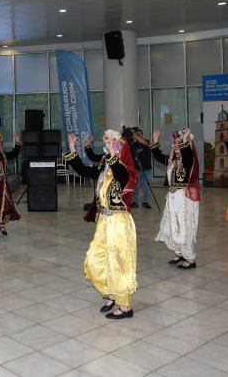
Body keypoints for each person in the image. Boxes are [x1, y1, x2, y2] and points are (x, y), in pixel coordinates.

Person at [66, 131, 138, 319]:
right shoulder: (105, 167)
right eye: (105, 143)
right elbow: (85, 171)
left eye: (109, 143)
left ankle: (126, 308)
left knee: (119, 263)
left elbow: (122, 176)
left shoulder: (126, 169)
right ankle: (113, 294)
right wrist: (73, 150)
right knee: (96, 259)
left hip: (119, 223)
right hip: (105, 221)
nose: (106, 146)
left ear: (118, 147)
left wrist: (113, 155)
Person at [150, 128, 200, 269]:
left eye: (179, 142)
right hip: (171, 197)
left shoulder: (189, 160)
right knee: (169, 226)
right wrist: (155, 141)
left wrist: (185, 140)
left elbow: (188, 156)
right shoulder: (173, 160)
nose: (176, 145)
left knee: (184, 227)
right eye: (175, 142)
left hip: (183, 197)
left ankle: (190, 259)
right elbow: (159, 157)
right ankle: (179, 253)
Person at [131, 129, 153, 209]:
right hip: (137, 169)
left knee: (147, 186)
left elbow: (146, 143)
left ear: (142, 135)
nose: (138, 135)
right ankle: (135, 201)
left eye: (139, 134)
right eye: (136, 134)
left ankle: (145, 201)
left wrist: (136, 137)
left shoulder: (146, 142)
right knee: (136, 186)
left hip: (147, 169)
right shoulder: (134, 145)